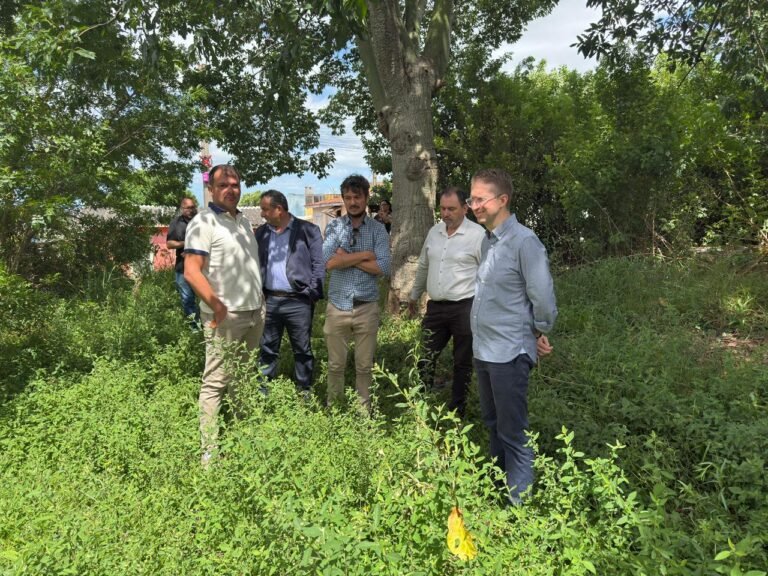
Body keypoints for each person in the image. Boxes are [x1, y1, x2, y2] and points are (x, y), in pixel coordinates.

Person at [468, 168, 557, 504]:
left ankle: (518, 507)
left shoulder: (524, 242)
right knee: (492, 423)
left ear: (502, 200)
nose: (474, 205)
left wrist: (539, 330)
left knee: (513, 432)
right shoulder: (488, 240)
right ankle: (498, 491)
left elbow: (542, 297)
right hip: (485, 350)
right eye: (471, 199)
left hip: (509, 352)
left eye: (480, 199)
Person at [183, 165, 265, 465]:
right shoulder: (203, 222)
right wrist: (217, 306)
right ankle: (209, 452)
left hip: (254, 313)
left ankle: (245, 438)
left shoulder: (243, 221)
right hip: (226, 317)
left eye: (235, 184)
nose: (231, 189)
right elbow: (192, 271)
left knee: (243, 377)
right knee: (215, 382)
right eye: (223, 185)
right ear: (211, 190)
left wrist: (261, 302)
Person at [408, 186, 485, 417]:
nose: (446, 213)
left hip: (465, 307)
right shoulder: (435, 232)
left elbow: (488, 274)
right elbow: (424, 265)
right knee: (425, 355)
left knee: (462, 361)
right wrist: (414, 295)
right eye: (442, 208)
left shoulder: (477, 235)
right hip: (436, 308)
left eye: (451, 209)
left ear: (465, 208)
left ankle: (457, 410)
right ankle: (420, 405)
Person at [323, 175, 391, 409]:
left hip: (366, 306)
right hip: (337, 305)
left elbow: (383, 267)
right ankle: (335, 408)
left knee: (364, 366)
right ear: (343, 199)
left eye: (357, 197)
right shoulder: (334, 227)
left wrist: (345, 257)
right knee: (335, 365)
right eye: (348, 197)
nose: (352, 202)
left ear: (366, 197)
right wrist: (365, 255)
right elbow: (327, 261)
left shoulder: (378, 230)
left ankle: (364, 411)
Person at [256, 190, 324, 394]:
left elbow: (319, 264)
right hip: (270, 300)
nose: (262, 214)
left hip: (299, 301)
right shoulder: (261, 233)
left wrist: (312, 294)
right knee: (267, 349)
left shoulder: (308, 230)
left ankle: (304, 391)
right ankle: (263, 393)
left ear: (279, 209)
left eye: (265, 209)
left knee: (302, 350)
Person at [165, 197, 200, 328]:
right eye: (188, 208)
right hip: (183, 268)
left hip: (203, 266)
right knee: (188, 300)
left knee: (206, 299)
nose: (191, 210)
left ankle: (208, 328)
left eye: (193, 207)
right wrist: (187, 244)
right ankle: (195, 329)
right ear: (182, 209)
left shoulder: (201, 221)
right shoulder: (176, 223)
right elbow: (169, 244)